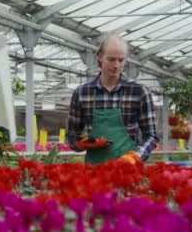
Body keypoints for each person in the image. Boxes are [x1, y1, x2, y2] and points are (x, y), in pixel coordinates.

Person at [66, 34, 158, 164]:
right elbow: (71, 136)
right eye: (111, 59)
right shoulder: (82, 93)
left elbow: (151, 136)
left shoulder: (139, 92)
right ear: (100, 58)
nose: (116, 65)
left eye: (121, 60)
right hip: (94, 173)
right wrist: (84, 143)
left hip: (129, 172)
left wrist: (134, 157)